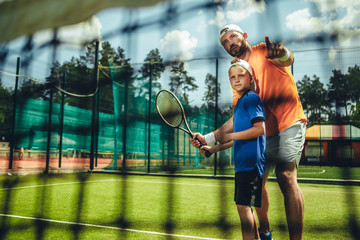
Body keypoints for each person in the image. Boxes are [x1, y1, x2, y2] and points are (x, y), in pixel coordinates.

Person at [191, 24, 307, 240]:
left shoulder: (264, 50)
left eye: (232, 37)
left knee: (285, 175)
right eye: (225, 42)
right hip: (265, 135)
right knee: (258, 182)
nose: (229, 43)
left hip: (289, 121)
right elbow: (238, 121)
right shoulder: (240, 76)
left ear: (244, 36)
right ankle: (265, 232)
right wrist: (208, 139)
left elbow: (288, 58)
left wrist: (283, 52)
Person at [200, 60, 266, 240]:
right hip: (243, 165)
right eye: (232, 77)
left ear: (251, 78)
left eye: (241, 76)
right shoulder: (240, 104)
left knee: (243, 208)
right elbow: (236, 139)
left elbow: (259, 129)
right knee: (245, 207)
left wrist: (229, 136)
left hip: (251, 164)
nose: (236, 80)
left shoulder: (251, 98)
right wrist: (213, 148)